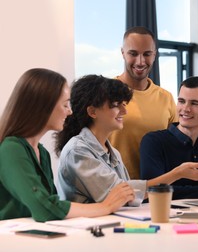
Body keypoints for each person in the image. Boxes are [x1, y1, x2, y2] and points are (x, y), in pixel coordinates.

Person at [56, 75, 198, 204]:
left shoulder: (113, 153)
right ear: (92, 111)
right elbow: (121, 194)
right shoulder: (78, 151)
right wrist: (176, 174)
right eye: (115, 105)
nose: (124, 111)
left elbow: (132, 198)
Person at [0, 68, 134, 222]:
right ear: (43, 106)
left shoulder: (42, 153)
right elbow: (44, 208)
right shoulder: (11, 149)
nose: (70, 112)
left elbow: (53, 205)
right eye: (65, 105)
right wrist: (106, 206)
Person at [140, 76, 198, 200]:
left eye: (194, 103)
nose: (185, 109)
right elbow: (153, 192)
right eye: (181, 101)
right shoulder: (153, 142)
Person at [109, 26, 177, 179]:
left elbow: (175, 149)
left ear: (155, 55)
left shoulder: (166, 98)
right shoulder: (104, 93)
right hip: (113, 190)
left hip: (156, 191)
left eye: (147, 54)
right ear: (122, 53)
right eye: (133, 54)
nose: (140, 62)